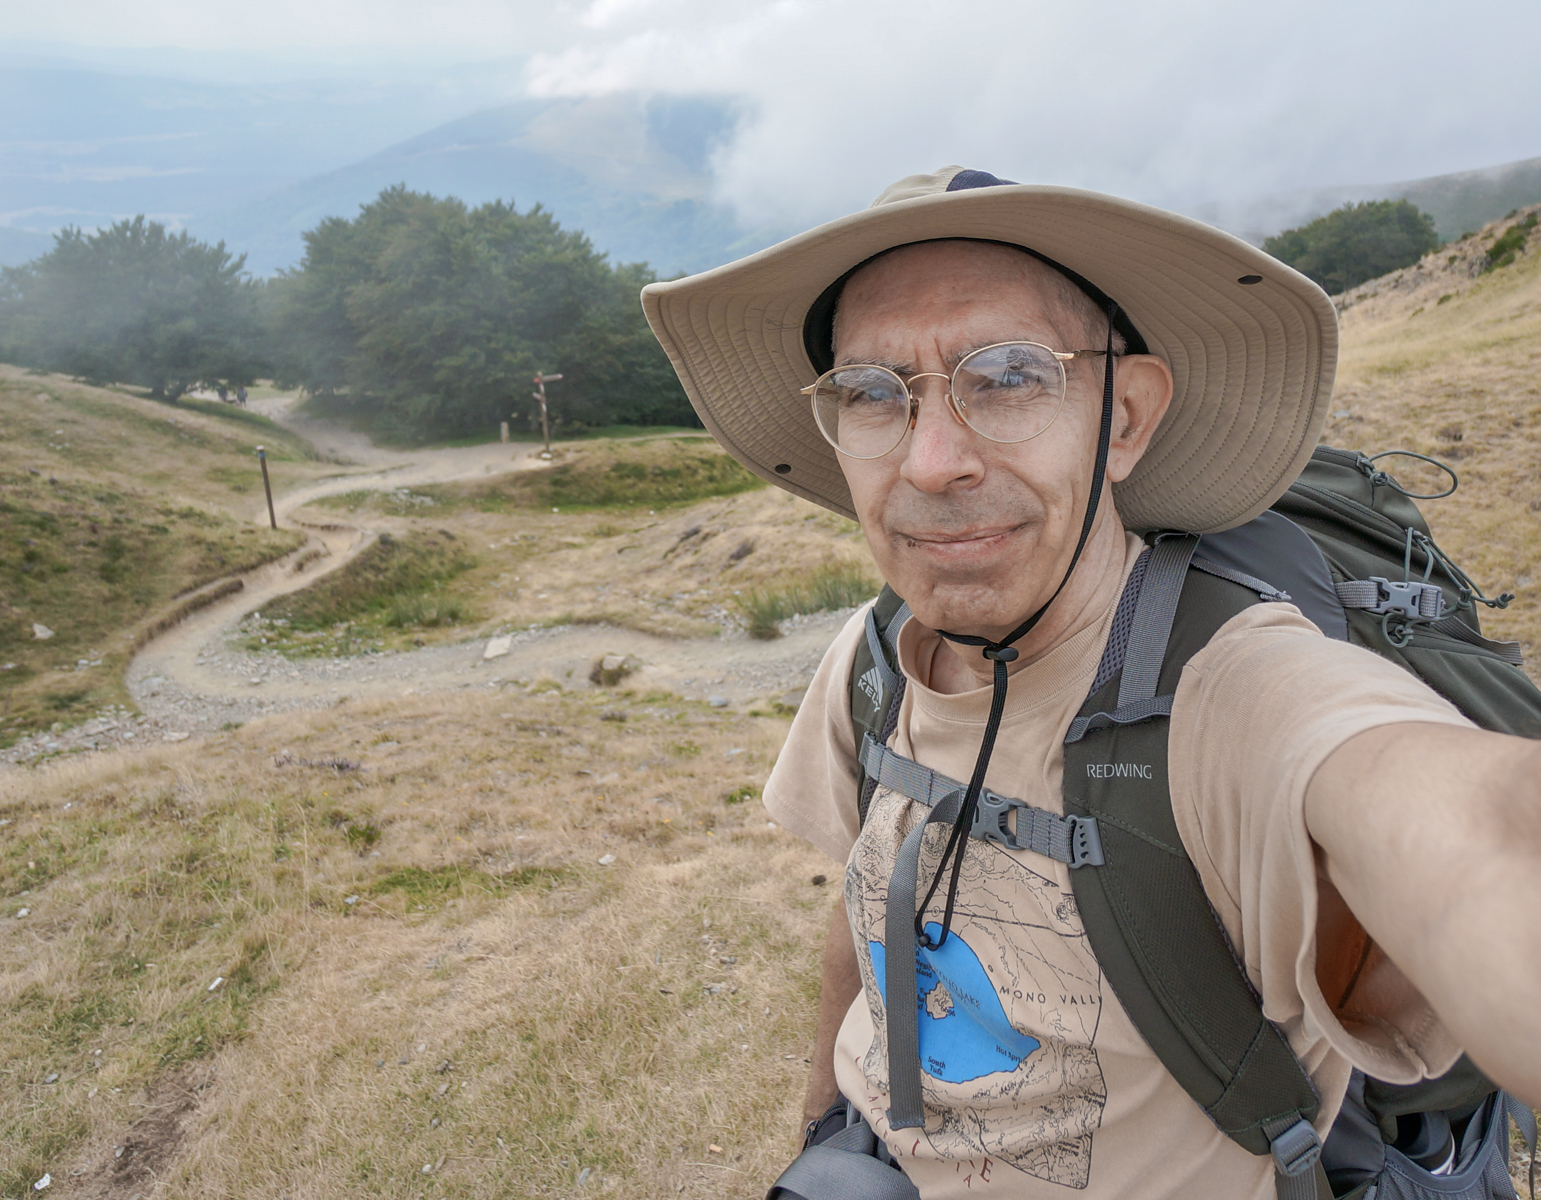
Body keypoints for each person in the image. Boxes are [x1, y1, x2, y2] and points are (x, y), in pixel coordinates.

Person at [640, 167, 1541, 1199]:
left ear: (1122, 419)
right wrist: (816, 1130)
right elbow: (859, 906)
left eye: (1007, 376)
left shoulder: (1233, 692)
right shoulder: (872, 658)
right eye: (871, 393)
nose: (931, 462)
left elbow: (1474, 832)